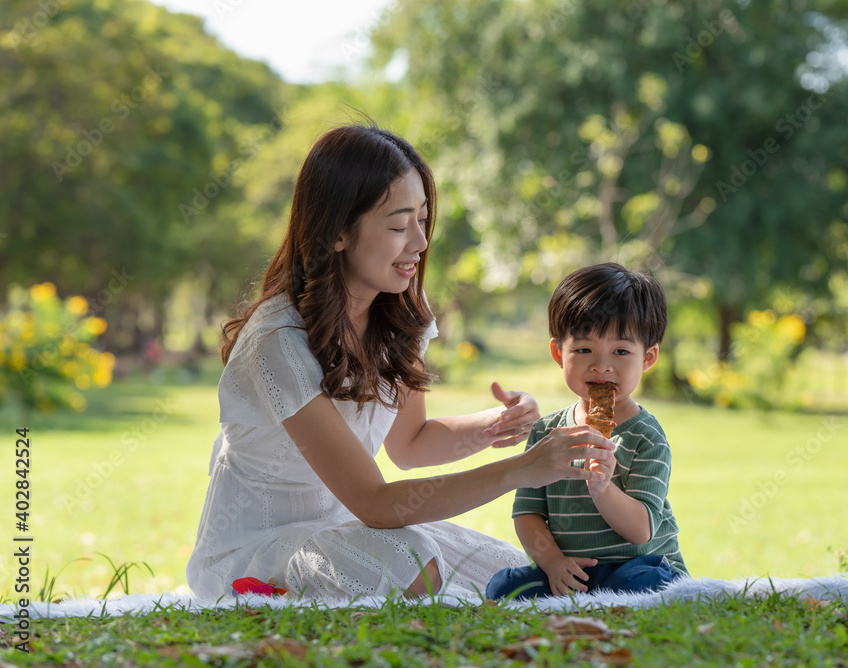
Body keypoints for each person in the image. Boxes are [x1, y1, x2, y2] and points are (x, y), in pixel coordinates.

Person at [185, 124, 614, 601]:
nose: (420, 241)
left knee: (520, 576)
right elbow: (375, 503)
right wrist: (522, 469)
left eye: (423, 220)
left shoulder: (398, 311)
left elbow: (410, 444)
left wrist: (497, 424)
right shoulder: (277, 341)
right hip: (256, 549)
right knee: (412, 561)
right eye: (397, 224)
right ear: (338, 232)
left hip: (349, 528)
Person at [486, 263, 688, 600]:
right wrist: (552, 563)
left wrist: (602, 488)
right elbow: (528, 512)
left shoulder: (647, 437)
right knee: (504, 587)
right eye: (583, 350)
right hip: (573, 569)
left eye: (621, 351)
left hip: (635, 563)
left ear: (648, 358)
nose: (601, 365)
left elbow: (640, 530)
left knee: (646, 585)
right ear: (558, 353)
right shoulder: (548, 432)